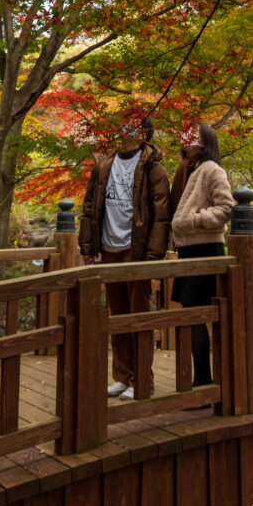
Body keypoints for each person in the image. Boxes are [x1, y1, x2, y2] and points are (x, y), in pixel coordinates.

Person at [78, 116, 171, 400]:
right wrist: (87, 246)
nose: (125, 129)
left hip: (137, 250)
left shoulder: (153, 168)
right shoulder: (103, 165)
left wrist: (153, 256)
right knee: (117, 316)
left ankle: (142, 380)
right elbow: (90, 206)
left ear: (144, 132)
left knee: (138, 316)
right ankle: (121, 376)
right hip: (109, 248)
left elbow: (161, 216)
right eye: (121, 124)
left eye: (132, 125)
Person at [170, 123, 233, 388]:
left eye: (190, 137)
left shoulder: (212, 170)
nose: (184, 140)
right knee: (191, 313)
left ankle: (204, 379)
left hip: (205, 247)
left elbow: (227, 207)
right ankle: (201, 377)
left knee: (196, 313)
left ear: (204, 143)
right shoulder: (189, 169)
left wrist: (195, 221)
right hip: (188, 248)